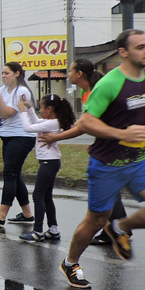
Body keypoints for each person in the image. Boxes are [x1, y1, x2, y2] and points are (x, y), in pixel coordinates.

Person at [60, 30, 145, 289]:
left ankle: (119, 227)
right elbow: (86, 121)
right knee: (95, 220)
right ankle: (71, 262)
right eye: (140, 47)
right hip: (107, 164)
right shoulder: (109, 83)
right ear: (123, 52)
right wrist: (121, 133)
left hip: (140, 160)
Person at [38, 58, 127, 245]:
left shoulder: (96, 90)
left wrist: (57, 137)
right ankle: (118, 229)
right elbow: (84, 123)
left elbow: (83, 127)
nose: (68, 74)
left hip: (115, 141)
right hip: (107, 142)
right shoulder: (87, 92)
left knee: (105, 186)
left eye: (70, 71)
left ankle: (116, 230)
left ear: (79, 74)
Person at [0, 62, 36, 226]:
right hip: (7, 136)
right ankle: (27, 214)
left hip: (22, 137)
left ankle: (1, 215)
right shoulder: (4, 90)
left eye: (7, 73)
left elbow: (6, 114)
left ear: (17, 74)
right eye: (2, 73)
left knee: (9, 174)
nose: (3, 76)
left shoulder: (22, 91)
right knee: (15, 174)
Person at [17, 93, 75, 243]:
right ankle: (53, 229)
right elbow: (36, 122)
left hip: (49, 162)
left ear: (49, 109)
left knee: (38, 195)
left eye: (40, 107)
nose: (39, 110)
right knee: (46, 196)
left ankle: (37, 231)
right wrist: (29, 108)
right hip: (51, 161)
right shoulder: (52, 122)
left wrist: (22, 111)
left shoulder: (52, 123)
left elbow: (28, 127)